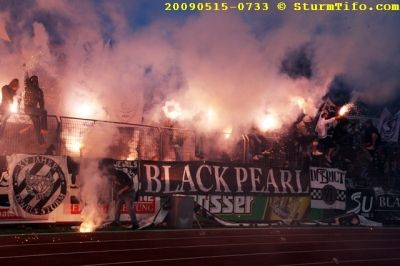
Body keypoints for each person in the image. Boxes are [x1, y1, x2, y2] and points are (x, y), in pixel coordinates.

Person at [101, 159, 139, 229]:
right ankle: (117, 221)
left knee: (129, 208)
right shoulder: (110, 177)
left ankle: (135, 224)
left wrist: (121, 190)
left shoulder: (121, 174)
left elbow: (129, 185)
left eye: (111, 176)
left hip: (129, 193)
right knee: (117, 208)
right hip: (121, 195)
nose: (111, 178)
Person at [24, 75, 47, 145]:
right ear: (31, 81)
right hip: (28, 108)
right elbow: (26, 79)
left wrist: (40, 111)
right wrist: (25, 67)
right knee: (44, 112)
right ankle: (44, 128)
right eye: (33, 80)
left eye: (36, 80)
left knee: (37, 125)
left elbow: (41, 103)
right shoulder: (28, 87)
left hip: (33, 110)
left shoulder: (39, 91)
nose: (34, 81)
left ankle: (41, 142)